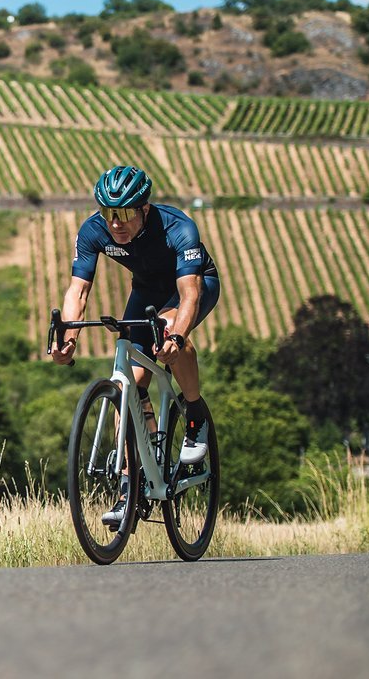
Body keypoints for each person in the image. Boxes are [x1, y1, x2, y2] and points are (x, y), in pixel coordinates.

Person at [50, 164, 221, 527]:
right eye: (109, 213)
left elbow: (189, 294)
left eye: (125, 213)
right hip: (145, 290)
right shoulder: (93, 230)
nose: (116, 223)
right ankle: (130, 484)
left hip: (193, 284)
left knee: (171, 328)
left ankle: (194, 415)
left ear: (144, 208)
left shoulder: (178, 227)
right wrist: (67, 338)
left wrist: (175, 336)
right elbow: (78, 290)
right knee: (128, 383)